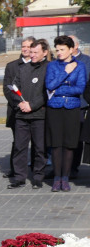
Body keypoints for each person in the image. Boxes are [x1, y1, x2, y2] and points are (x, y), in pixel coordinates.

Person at [45, 35, 89, 192]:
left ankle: (66, 178)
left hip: (72, 108)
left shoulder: (80, 66)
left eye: (62, 50)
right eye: (57, 50)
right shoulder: (52, 66)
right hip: (54, 108)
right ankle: (57, 178)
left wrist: (60, 89)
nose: (59, 53)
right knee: (56, 144)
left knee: (70, 145)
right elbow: (50, 85)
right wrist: (65, 73)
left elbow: (80, 89)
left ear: (71, 49)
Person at [5, 38, 48, 190]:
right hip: (22, 115)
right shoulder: (23, 69)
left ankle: (37, 177)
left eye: (36, 52)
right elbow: (14, 88)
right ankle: (19, 177)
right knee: (19, 147)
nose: (32, 55)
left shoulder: (49, 68)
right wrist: (21, 103)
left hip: (39, 115)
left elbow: (47, 92)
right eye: (31, 52)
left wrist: (32, 105)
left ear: (45, 52)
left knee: (39, 148)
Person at [2, 38, 35, 179]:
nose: (25, 49)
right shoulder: (12, 66)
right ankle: (16, 171)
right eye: (23, 46)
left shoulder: (40, 65)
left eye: (29, 46)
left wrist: (33, 104)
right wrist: (19, 103)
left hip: (36, 110)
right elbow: (7, 89)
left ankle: (36, 169)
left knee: (37, 143)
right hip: (17, 111)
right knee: (19, 142)